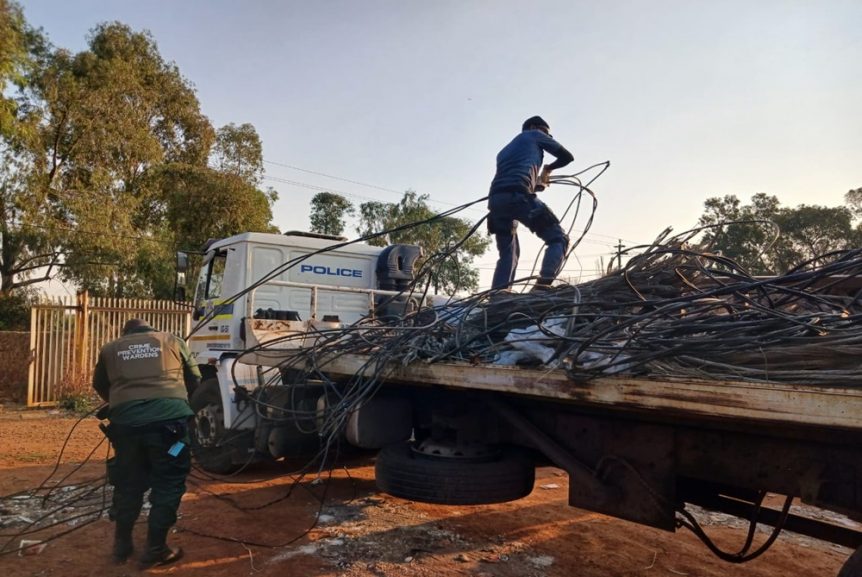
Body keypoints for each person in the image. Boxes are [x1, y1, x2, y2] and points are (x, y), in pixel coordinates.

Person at [92, 318, 201, 567]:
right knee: (168, 482)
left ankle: (122, 546)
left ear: (126, 333)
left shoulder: (111, 348)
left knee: (128, 482)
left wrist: (121, 402)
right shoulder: (173, 341)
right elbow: (194, 378)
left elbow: (99, 384)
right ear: (150, 328)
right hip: (170, 428)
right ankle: (155, 549)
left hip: (126, 427)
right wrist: (181, 404)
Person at [487, 116, 574, 291]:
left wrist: (537, 183)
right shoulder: (533, 135)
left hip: (496, 201)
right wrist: (549, 168)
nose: (548, 138)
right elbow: (567, 157)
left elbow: (517, 175)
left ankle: (498, 296)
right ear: (533, 127)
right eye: (546, 133)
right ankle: (542, 287)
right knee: (559, 239)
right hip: (518, 196)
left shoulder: (505, 151)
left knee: (508, 254)